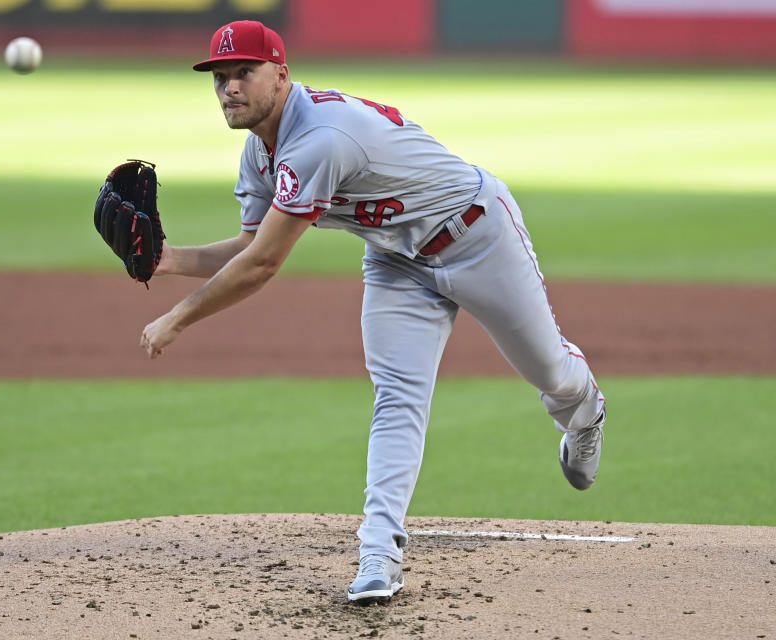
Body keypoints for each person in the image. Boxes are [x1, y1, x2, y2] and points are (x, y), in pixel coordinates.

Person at [139, 20, 607, 604]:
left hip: (479, 237)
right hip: (396, 262)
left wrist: (177, 318)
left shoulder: (320, 139)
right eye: (220, 78)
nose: (229, 88)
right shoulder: (260, 155)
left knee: (550, 373)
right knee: (397, 396)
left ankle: (583, 410)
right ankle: (379, 555)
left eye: (244, 73)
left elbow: (262, 267)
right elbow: (248, 246)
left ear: (280, 75)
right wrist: (166, 258)